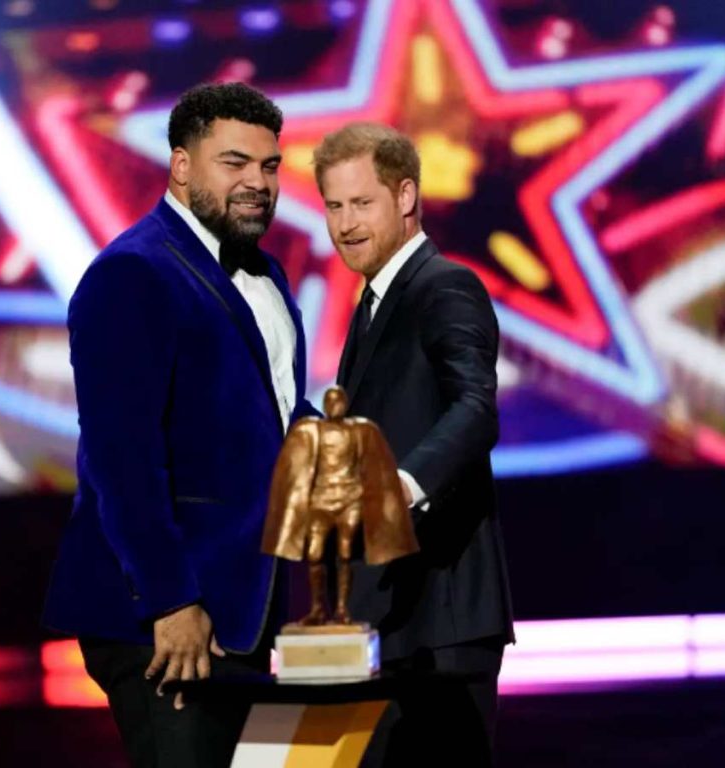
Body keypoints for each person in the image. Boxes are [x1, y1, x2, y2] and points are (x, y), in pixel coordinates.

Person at [43, 82, 314, 768]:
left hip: (248, 608)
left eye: (269, 166)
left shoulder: (268, 274)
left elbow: (277, 416)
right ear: (182, 165)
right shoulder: (133, 274)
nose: (257, 182)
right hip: (168, 616)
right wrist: (170, 599)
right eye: (235, 163)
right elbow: (120, 457)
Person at [313, 122, 514, 765]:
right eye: (333, 206)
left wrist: (401, 487)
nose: (345, 224)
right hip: (385, 618)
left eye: (361, 203)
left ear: (405, 197)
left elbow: (475, 409)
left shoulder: (443, 286)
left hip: (441, 623)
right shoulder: (373, 303)